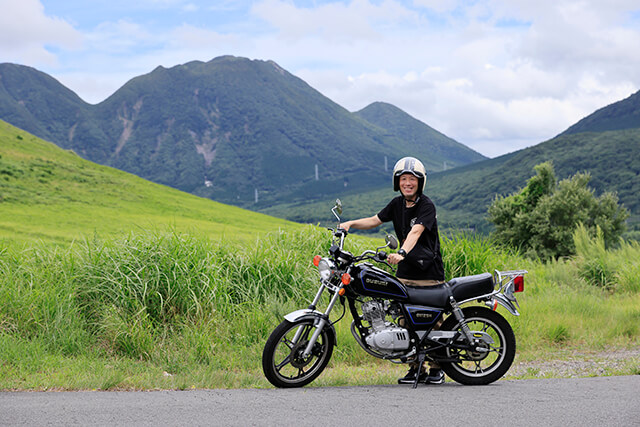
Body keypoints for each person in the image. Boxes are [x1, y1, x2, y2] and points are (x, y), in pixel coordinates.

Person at [340, 156, 446, 385]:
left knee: (431, 320)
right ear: (397, 182)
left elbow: (415, 233)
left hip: (428, 273)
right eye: (403, 179)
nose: (408, 183)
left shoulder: (426, 205)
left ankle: (437, 368)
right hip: (404, 273)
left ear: (420, 182)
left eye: (412, 179)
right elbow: (374, 220)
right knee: (403, 319)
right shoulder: (396, 204)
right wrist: (350, 224)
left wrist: (403, 253)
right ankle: (415, 368)